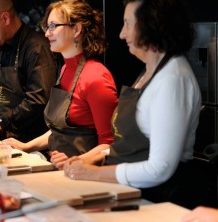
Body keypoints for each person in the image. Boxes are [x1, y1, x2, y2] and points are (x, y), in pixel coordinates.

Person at [62, 0, 205, 208]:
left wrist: (95, 173)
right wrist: (92, 158)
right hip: (130, 192)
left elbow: (160, 169)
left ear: (152, 25)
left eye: (128, 24)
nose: (122, 34)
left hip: (157, 200)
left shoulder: (173, 79)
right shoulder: (150, 71)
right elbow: (131, 144)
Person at [2, 0, 118, 161]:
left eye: (53, 26)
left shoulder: (96, 76)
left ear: (76, 29)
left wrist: (78, 161)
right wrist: (25, 147)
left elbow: (110, 143)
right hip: (61, 169)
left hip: (87, 176)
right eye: (47, 27)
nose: (47, 34)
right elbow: (59, 129)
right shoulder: (64, 69)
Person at [0, 0, 57, 143]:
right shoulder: (2, 48)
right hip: (5, 141)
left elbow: (37, 101)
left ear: (5, 18)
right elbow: (2, 94)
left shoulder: (37, 48)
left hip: (31, 144)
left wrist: (0, 123)